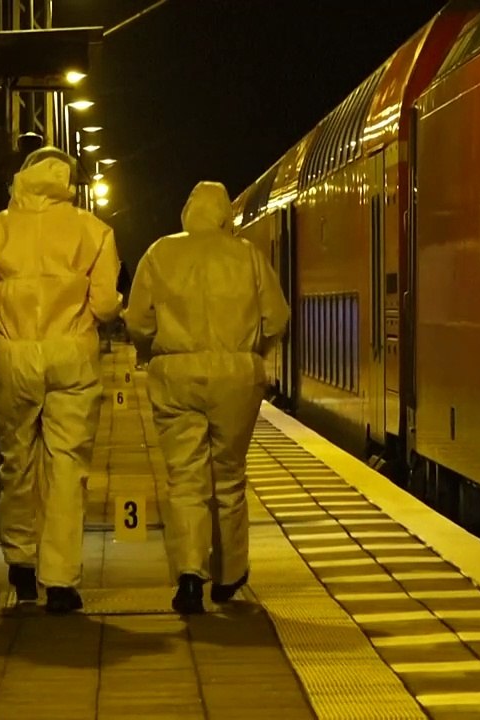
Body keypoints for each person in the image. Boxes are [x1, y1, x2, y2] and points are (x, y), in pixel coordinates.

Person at [0, 147, 122, 614]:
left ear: (22, 179)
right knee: (66, 468)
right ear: (67, 183)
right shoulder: (93, 231)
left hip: (13, 358)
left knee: (17, 463)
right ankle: (60, 581)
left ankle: (20, 561)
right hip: (71, 357)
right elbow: (103, 307)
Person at [123, 181, 290, 614]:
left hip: (174, 374)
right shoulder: (248, 255)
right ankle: (230, 574)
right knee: (229, 476)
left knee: (184, 477)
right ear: (225, 216)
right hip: (236, 375)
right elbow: (277, 317)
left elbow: (138, 321)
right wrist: (256, 350)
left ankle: (190, 575)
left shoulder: (160, 253)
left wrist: (149, 351)